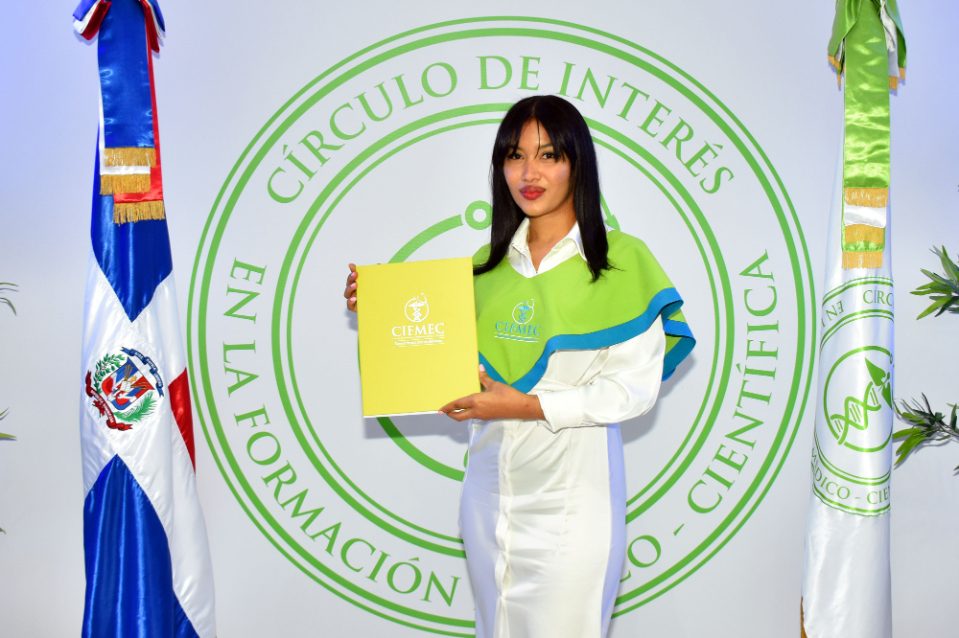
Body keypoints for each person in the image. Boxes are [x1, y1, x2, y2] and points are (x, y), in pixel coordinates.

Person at [344, 95, 694, 638]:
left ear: (577, 164)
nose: (529, 173)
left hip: (572, 507)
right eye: (514, 156)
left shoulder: (623, 263)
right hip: (486, 500)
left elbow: (632, 391)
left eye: (548, 155)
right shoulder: (481, 273)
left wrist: (528, 406)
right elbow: (439, 359)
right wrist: (382, 305)